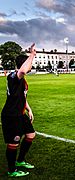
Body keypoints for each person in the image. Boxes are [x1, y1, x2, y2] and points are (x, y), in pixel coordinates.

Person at [1, 43, 36, 177]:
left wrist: (29, 109)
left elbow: (22, 97)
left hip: (20, 114)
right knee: (13, 142)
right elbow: (22, 71)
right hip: (11, 115)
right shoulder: (13, 76)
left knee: (30, 135)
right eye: (29, 63)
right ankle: (11, 170)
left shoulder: (21, 79)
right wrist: (31, 54)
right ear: (24, 64)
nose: (31, 65)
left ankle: (20, 161)